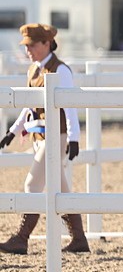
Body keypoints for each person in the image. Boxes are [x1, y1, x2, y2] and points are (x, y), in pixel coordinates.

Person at [0, 24, 88, 254]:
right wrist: (13, 131)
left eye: (31, 45)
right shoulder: (33, 70)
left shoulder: (60, 70)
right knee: (61, 188)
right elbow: (29, 106)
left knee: (32, 185)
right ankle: (79, 239)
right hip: (39, 136)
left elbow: (69, 107)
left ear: (46, 43)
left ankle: (21, 238)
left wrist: (73, 137)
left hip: (55, 137)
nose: (27, 50)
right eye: (26, 46)